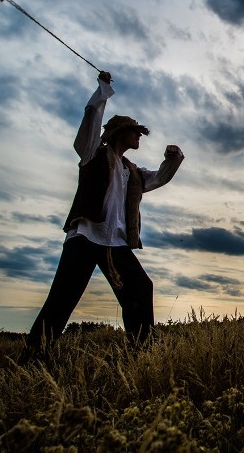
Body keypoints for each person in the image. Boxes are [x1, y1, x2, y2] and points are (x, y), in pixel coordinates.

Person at [24, 71, 184, 356]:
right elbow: (91, 117)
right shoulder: (92, 153)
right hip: (85, 236)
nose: (139, 136)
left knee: (140, 288)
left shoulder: (132, 171)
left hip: (116, 244)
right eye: (135, 131)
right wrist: (103, 89)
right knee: (63, 299)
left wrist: (172, 159)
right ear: (119, 133)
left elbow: (159, 178)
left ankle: (142, 352)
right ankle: (34, 356)